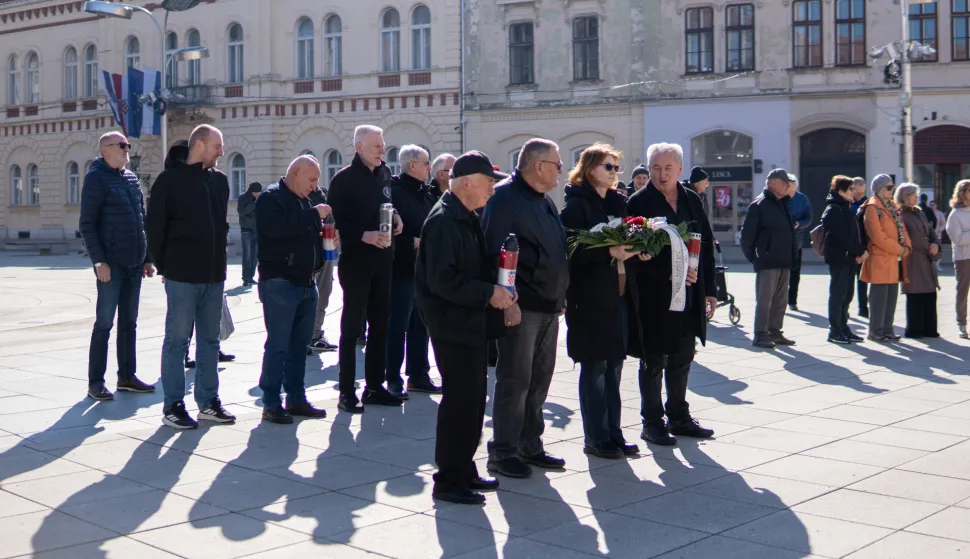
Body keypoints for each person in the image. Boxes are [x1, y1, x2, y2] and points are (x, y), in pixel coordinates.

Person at [416, 151, 511, 505]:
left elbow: (472, 266)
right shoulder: (444, 219)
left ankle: (464, 468)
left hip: (468, 322)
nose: (492, 190)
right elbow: (443, 280)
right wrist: (489, 293)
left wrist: (501, 287)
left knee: (472, 401)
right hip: (452, 325)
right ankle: (449, 479)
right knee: (459, 403)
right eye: (489, 183)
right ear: (467, 183)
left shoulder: (464, 214)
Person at [482, 138, 569, 479]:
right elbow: (493, 252)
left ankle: (530, 444)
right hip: (522, 307)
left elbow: (556, 247)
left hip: (549, 306)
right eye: (557, 164)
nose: (560, 170)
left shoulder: (544, 200)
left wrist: (560, 293)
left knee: (539, 381)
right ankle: (503, 452)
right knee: (515, 381)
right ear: (538, 166)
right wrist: (509, 302)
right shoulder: (504, 198)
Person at [626, 142, 717, 446]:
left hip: (689, 292)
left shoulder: (691, 199)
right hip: (654, 295)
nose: (661, 174)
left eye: (667, 168)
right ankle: (652, 422)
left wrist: (711, 290)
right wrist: (663, 272)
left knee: (683, 355)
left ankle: (678, 415)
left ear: (680, 169)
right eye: (656, 168)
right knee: (653, 359)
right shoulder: (638, 203)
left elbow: (705, 244)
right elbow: (633, 255)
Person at [146, 124, 236, 429]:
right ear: (199, 145)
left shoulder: (219, 181)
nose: (221, 152)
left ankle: (208, 402)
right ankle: (173, 405)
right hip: (182, 277)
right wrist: (165, 267)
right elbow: (155, 227)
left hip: (214, 275)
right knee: (177, 341)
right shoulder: (169, 181)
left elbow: (221, 225)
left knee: (210, 341)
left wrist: (221, 262)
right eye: (217, 146)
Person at [560, 143, 639, 459]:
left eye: (616, 167)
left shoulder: (619, 203)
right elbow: (570, 250)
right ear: (589, 168)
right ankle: (595, 437)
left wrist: (641, 249)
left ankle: (614, 433)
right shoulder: (575, 206)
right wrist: (608, 251)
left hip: (618, 296)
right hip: (589, 299)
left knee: (615, 368)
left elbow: (628, 240)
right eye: (608, 166)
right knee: (595, 367)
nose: (614, 172)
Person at [327, 125, 405, 413]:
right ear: (358, 147)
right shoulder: (343, 179)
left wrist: (396, 216)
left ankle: (374, 387)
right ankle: (347, 391)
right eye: (376, 146)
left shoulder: (385, 173)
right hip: (356, 263)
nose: (381, 150)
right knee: (351, 330)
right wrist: (363, 235)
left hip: (384, 261)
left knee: (380, 327)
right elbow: (334, 222)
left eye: (382, 145)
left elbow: (386, 204)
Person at [79, 131, 156, 401]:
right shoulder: (96, 178)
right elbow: (87, 224)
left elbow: (141, 220)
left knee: (129, 322)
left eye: (127, 145)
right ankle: (96, 382)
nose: (126, 149)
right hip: (110, 264)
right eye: (122, 145)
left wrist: (147, 258)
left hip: (134, 263)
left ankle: (126, 377)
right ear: (105, 150)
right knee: (104, 323)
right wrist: (99, 261)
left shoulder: (131, 178)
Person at [255, 156, 332, 424]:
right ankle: (271, 402)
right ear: (296, 172)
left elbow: (308, 233)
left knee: (300, 347)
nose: (314, 186)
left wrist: (326, 238)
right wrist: (313, 214)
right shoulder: (271, 198)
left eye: (317, 181)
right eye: (311, 179)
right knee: (278, 345)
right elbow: (276, 229)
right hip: (280, 283)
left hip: (307, 282)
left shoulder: (307, 200)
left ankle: (296, 398)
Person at [386, 145, 439, 398]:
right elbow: (387, 230)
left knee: (421, 325)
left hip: (423, 270)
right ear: (412, 165)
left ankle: (418, 375)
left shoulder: (426, 193)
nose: (430, 168)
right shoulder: (394, 192)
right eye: (426, 163)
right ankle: (393, 378)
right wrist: (411, 242)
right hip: (401, 269)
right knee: (398, 326)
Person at [740, 169, 796, 349]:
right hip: (767, 262)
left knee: (781, 300)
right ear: (773, 183)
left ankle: (775, 332)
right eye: (784, 182)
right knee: (765, 300)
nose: (787, 186)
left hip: (784, 260)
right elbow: (746, 237)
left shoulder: (783, 203)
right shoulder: (759, 205)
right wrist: (756, 258)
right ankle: (760, 334)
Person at [860, 174, 912, 342]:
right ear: (879, 189)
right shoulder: (872, 207)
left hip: (893, 258)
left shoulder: (892, 205)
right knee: (879, 298)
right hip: (881, 258)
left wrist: (907, 246)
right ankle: (875, 331)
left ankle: (888, 329)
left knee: (891, 297)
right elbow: (877, 236)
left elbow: (902, 228)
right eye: (889, 187)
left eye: (892, 187)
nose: (892, 190)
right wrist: (899, 249)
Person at [821, 176, 867, 344]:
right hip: (839, 258)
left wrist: (861, 250)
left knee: (847, 295)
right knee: (838, 294)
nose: (853, 192)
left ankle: (843, 328)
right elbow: (842, 237)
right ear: (840, 191)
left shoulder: (845, 207)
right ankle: (835, 331)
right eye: (850, 189)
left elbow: (855, 233)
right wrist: (860, 251)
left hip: (850, 258)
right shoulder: (833, 209)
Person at [898, 183, 941, 339]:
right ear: (905, 196)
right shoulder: (902, 214)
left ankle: (930, 329)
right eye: (913, 194)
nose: (916, 197)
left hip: (926, 257)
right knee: (915, 293)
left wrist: (935, 244)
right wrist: (929, 246)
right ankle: (915, 330)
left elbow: (930, 230)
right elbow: (913, 237)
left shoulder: (919, 212)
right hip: (913, 258)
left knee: (929, 292)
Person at [306, 173, 338, 354]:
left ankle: (316, 334)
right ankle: (306, 336)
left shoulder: (323, 194)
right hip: (308, 252)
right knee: (307, 294)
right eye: (311, 177)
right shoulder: (299, 196)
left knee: (325, 290)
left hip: (326, 248)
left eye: (316, 177)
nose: (314, 181)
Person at [945, 179, 970, 339]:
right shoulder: (955, 214)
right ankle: (962, 324)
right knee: (963, 291)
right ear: (962, 193)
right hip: (964, 258)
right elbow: (958, 238)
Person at [786, 174, 812, 312]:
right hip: (781, 240)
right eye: (789, 185)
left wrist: (799, 223)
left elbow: (809, 217)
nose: (791, 189)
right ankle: (780, 299)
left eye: (793, 186)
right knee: (781, 272)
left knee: (795, 272)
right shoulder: (780, 197)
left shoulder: (802, 199)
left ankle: (792, 301)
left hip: (797, 240)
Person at [851, 177, 870, 317]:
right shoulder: (846, 203)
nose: (860, 196)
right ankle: (844, 308)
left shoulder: (868, 203)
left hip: (863, 247)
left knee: (862, 279)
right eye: (857, 193)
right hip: (848, 246)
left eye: (862, 193)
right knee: (846, 280)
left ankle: (863, 307)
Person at [238, 181, 262, 286]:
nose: (258, 194)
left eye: (259, 192)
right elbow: (242, 212)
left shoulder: (260, 199)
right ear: (251, 191)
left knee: (254, 256)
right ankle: (245, 278)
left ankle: (251, 277)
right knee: (247, 256)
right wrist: (254, 204)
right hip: (246, 230)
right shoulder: (243, 198)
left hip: (257, 230)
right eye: (256, 192)